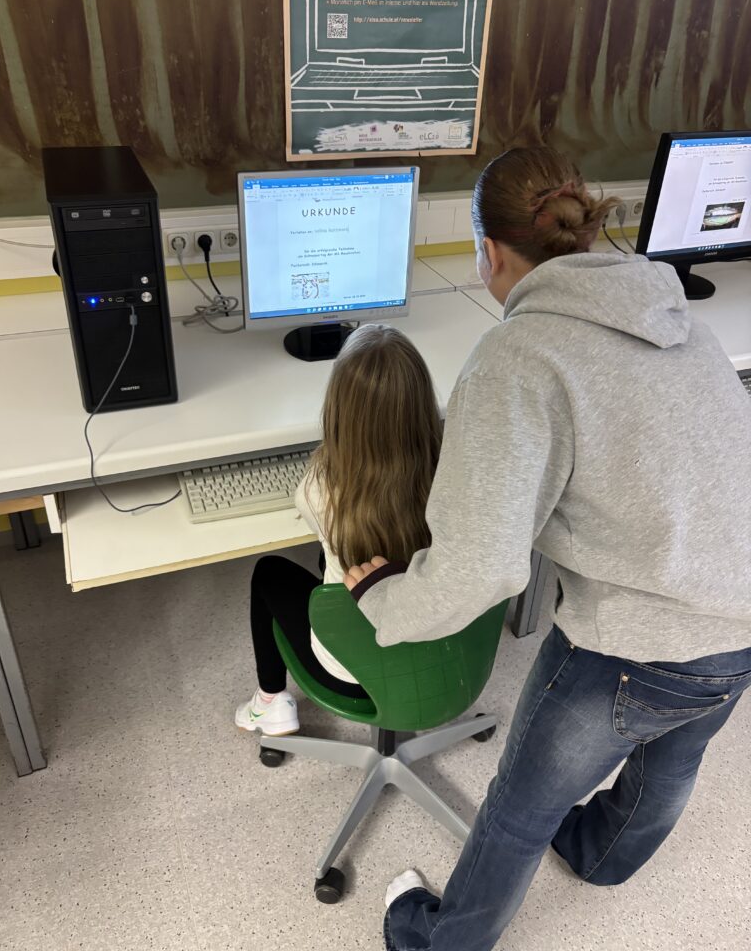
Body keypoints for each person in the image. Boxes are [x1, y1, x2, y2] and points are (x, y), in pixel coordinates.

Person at [344, 147, 751, 951]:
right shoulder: (683, 322)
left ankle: (443, 941)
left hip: (635, 648)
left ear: (489, 253)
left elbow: (482, 568)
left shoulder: (516, 359)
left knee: (519, 810)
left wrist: (384, 600)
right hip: (741, 614)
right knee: (672, 759)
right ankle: (603, 856)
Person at [235, 323, 442, 736]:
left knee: (269, 572)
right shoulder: (454, 473)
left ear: (338, 408)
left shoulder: (316, 490)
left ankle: (269, 703)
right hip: (441, 656)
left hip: (351, 675)